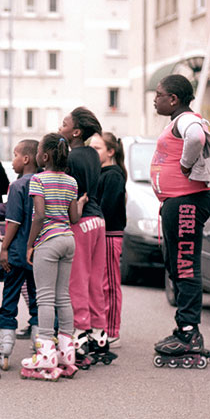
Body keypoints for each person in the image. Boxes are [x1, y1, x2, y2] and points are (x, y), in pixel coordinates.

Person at [150, 74, 210, 368]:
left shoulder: (186, 120)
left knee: (186, 265)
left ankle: (189, 333)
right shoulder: (177, 120)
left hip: (188, 201)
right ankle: (185, 327)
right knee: (175, 264)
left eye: (159, 94)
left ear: (173, 99)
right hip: (177, 202)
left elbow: (197, 137)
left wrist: (186, 165)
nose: (155, 99)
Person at [20, 133, 82, 381]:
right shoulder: (71, 182)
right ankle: (67, 352)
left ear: (44, 156)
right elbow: (75, 218)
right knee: (63, 296)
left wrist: (30, 244)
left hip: (48, 240)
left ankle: (45, 350)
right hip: (69, 239)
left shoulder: (38, 179)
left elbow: (39, 215)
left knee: (44, 298)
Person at [59, 107, 115, 367]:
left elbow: (69, 192)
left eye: (64, 124)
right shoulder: (93, 154)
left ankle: (79, 335)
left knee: (77, 281)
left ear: (76, 132)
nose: (61, 127)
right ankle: (99, 334)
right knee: (96, 280)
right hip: (98, 221)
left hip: (80, 221)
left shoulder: (70, 158)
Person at [0, 139, 39, 370]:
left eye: (14, 155)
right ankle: (40, 343)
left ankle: (5, 344)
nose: (12, 160)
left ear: (26, 159)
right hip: (39, 254)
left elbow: (13, 221)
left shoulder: (19, 186)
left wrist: (4, 248)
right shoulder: (44, 184)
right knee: (37, 298)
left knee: (10, 296)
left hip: (18, 253)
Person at [91, 131, 127, 347]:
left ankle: (112, 331)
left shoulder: (113, 175)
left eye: (98, 148)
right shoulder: (100, 173)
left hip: (109, 234)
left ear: (111, 151)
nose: (94, 153)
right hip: (97, 234)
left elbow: (107, 208)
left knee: (110, 285)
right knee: (98, 284)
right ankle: (100, 327)